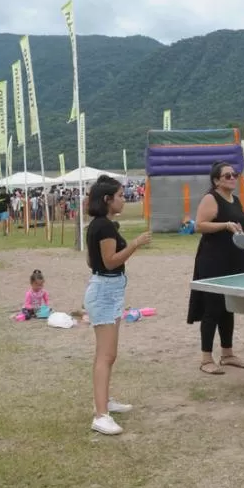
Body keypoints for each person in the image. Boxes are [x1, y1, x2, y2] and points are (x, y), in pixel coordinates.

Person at [84, 175, 152, 435]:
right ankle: (101, 415)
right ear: (107, 199)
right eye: (121, 196)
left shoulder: (101, 225)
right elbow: (110, 261)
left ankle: (104, 401)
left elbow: (92, 261)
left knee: (109, 353)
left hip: (109, 289)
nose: (124, 200)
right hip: (104, 291)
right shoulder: (104, 226)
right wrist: (135, 244)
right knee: (106, 355)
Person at [187, 162, 244, 375]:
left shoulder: (236, 199)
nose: (233, 178)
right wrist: (225, 225)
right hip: (213, 260)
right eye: (227, 175)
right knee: (212, 308)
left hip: (234, 258)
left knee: (228, 307)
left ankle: (227, 354)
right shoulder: (211, 198)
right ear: (216, 180)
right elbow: (199, 225)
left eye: (234, 174)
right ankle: (206, 359)